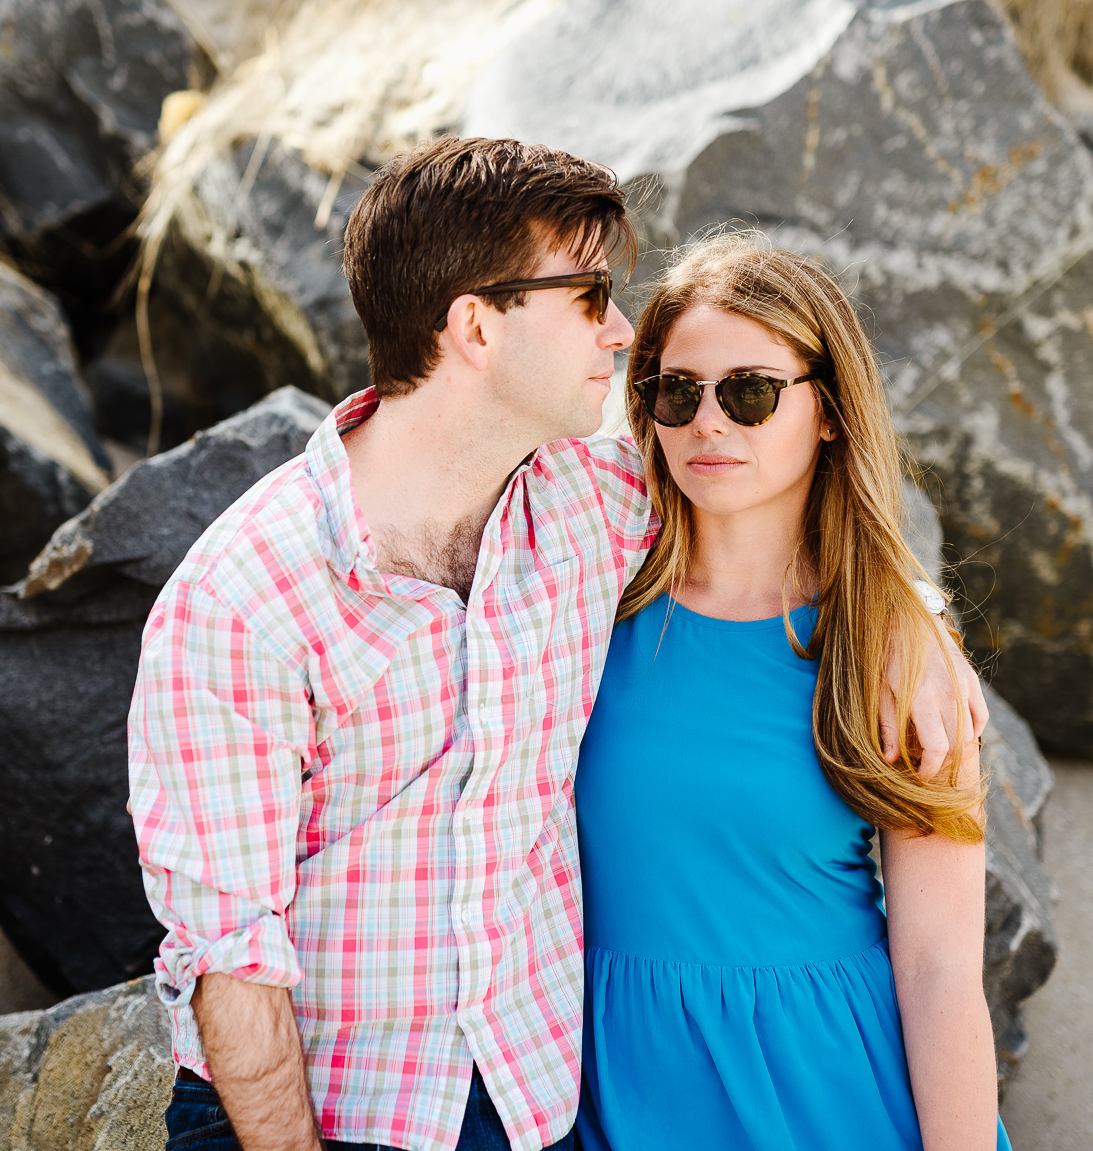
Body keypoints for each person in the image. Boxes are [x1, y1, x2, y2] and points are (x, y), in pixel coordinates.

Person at [127, 138, 989, 1151]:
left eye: (611, 301)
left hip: (530, 1102)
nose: (619, 330)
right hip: (320, 1107)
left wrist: (913, 615)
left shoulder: (585, 506)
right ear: (478, 327)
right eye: (586, 297)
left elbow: (771, 515)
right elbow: (230, 956)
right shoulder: (243, 596)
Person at [575, 234, 1008, 1151]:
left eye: (750, 392)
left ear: (829, 412)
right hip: (614, 1088)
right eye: (676, 390)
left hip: (836, 1098)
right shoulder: (581, 604)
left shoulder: (885, 651)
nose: (708, 422)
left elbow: (937, 968)